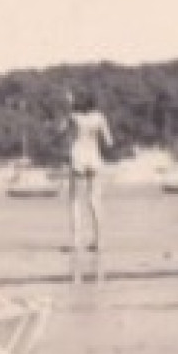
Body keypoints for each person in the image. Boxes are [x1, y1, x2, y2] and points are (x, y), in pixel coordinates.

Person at [62, 89, 114, 280]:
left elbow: (60, 131)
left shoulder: (74, 117)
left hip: (78, 157)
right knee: (95, 200)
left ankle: (76, 241)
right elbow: (109, 141)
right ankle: (99, 241)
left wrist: (67, 107)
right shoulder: (100, 118)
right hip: (95, 157)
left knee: (75, 200)